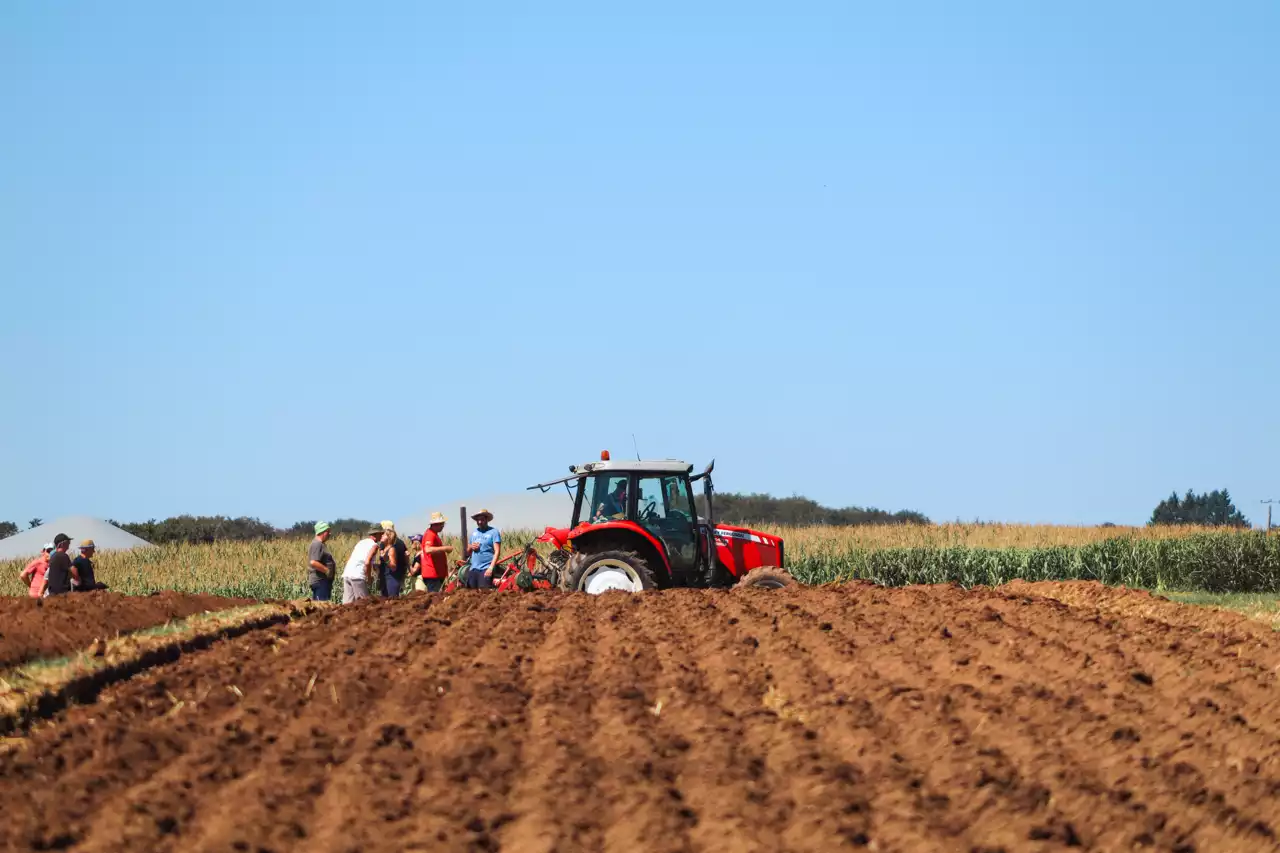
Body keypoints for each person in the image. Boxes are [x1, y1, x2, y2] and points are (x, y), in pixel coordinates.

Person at [341, 525, 384, 604]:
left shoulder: (361, 542)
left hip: (347, 573)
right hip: (358, 575)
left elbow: (352, 558)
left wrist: (375, 566)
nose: (382, 536)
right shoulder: (374, 546)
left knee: (347, 604)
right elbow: (367, 562)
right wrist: (369, 577)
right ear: (376, 534)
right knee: (364, 603)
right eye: (381, 533)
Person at [415, 512, 453, 592]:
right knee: (435, 598)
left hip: (436, 574)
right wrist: (445, 548)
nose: (443, 526)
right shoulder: (430, 534)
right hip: (433, 574)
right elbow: (428, 549)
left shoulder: (433, 534)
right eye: (441, 524)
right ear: (436, 524)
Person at [466, 509, 502, 589]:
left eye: (482, 519)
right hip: (473, 568)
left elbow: (497, 552)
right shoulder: (474, 533)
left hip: (486, 568)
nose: (479, 522)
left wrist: (490, 568)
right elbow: (468, 551)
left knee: (484, 594)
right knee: (470, 594)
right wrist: (471, 547)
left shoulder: (493, 532)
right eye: (478, 520)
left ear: (487, 519)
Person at [307, 521, 337, 601]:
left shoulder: (320, 544)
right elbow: (313, 562)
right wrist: (327, 570)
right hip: (320, 581)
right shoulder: (317, 544)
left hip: (322, 581)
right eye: (328, 531)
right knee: (322, 607)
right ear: (322, 532)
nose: (329, 534)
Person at [40, 533, 76, 597]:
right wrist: (78, 580)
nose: (69, 544)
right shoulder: (63, 556)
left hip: (53, 593)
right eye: (68, 542)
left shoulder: (53, 556)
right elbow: (73, 570)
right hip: (62, 593)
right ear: (62, 544)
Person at [379, 522, 409, 598]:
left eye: (384, 534)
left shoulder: (391, 549)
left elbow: (393, 566)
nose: (381, 535)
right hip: (386, 577)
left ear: (389, 537)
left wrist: (386, 559)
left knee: (392, 602)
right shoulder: (385, 547)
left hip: (392, 578)